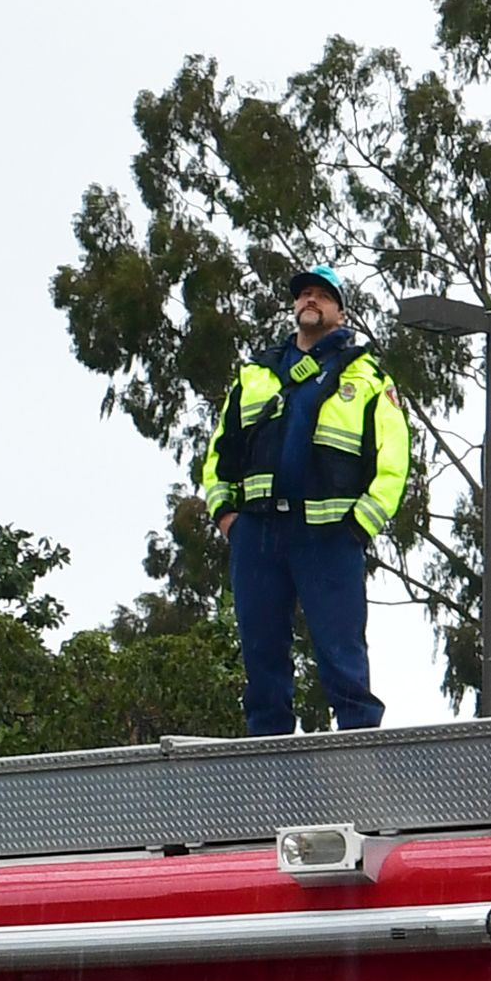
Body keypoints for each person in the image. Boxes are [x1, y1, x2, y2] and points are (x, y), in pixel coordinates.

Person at [196, 265, 411, 736]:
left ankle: (360, 752)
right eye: (303, 294)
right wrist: (226, 514)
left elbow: (394, 462)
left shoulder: (368, 376)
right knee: (261, 653)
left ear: (340, 310)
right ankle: (266, 759)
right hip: (257, 534)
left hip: (328, 536)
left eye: (321, 295)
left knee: (341, 654)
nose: (309, 300)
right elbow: (219, 451)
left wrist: (360, 525)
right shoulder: (255, 373)